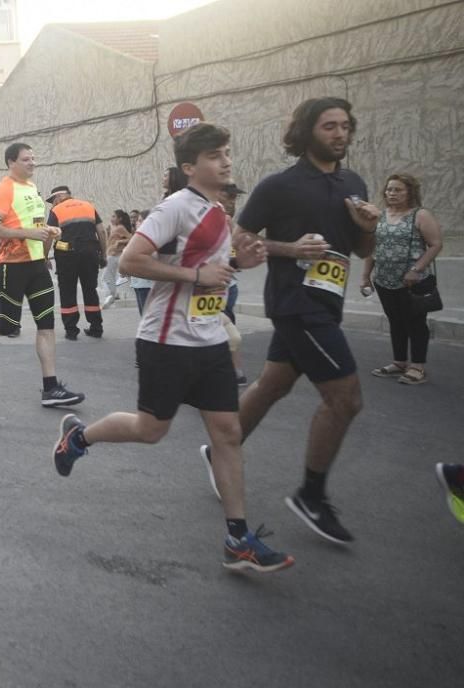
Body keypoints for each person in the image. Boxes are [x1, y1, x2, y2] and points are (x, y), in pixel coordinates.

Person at [51, 124, 293, 573]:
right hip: (166, 341)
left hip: (209, 339)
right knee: (150, 430)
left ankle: (238, 539)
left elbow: (205, 265)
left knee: (228, 433)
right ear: (189, 167)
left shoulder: (217, 212)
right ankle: (79, 436)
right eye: (215, 155)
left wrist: (240, 262)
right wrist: (196, 278)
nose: (226, 161)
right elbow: (131, 260)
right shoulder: (176, 208)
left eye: (227, 153)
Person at [224, 97, 381, 545]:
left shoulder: (353, 182)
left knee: (272, 385)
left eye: (345, 126)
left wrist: (368, 226)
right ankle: (311, 495)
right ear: (309, 131)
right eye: (329, 126)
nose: (339, 134)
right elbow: (242, 240)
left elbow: (362, 251)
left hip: (328, 301)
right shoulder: (280, 185)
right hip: (296, 303)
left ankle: (220, 447)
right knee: (345, 400)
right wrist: (291, 249)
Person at [0, 142, 84, 407]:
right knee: (9, 324)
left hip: (37, 263)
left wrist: (49, 231)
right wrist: (29, 234)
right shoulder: (3, 190)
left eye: (33, 158)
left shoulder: (31, 189)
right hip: (11, 265)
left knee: (46, 325)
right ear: (11, 163)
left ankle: (50, 389)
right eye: (26, 159)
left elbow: (33, 224)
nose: (32, 163)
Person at [361, 173, 443, 385]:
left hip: (412, 281)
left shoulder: (420, 215)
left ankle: (417, 366)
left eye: (398, 190)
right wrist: (365, 277)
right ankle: (399, 362)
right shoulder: (380, 216)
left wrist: (416, 269)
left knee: (415, 322)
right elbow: (372, 249)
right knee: (395, 321)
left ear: (410, 192)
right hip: (384, 280)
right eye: (389, 189)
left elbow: (435, 244)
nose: (392, 193)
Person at [46, 185, 107, 340]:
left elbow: (49, 236)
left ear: (59, 197)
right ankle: (96, 327)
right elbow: (101, 231)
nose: (52, 204)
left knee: (67, 291)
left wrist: (44, 257)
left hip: (67, 255)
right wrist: (103, 254)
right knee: (90, 289)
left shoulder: (57, 211)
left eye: (52, 200)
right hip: (90, 253)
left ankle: (71, 330)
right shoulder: (88, 206)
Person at [218, 182, 248, 386]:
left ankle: (233, 372)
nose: (232, 202)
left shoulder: (226, 220)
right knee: (225, 333)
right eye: (229, 197)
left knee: (228, 334)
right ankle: (232, 372)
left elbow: (230, 251)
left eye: (235, 198)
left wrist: (236, 262)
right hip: (214, 287)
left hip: (225, 286)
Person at [101, 210, 134, 308]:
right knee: (117, 276)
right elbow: (110, 242)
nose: (112, 218)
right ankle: (114, 295)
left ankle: (110, 296)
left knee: (106, 277)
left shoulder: (120, 228)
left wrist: (120, 242)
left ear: (120, 219)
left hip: (114, 255)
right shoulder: (115, 228)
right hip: (113, 255)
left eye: (114, 216)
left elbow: (131, 238)